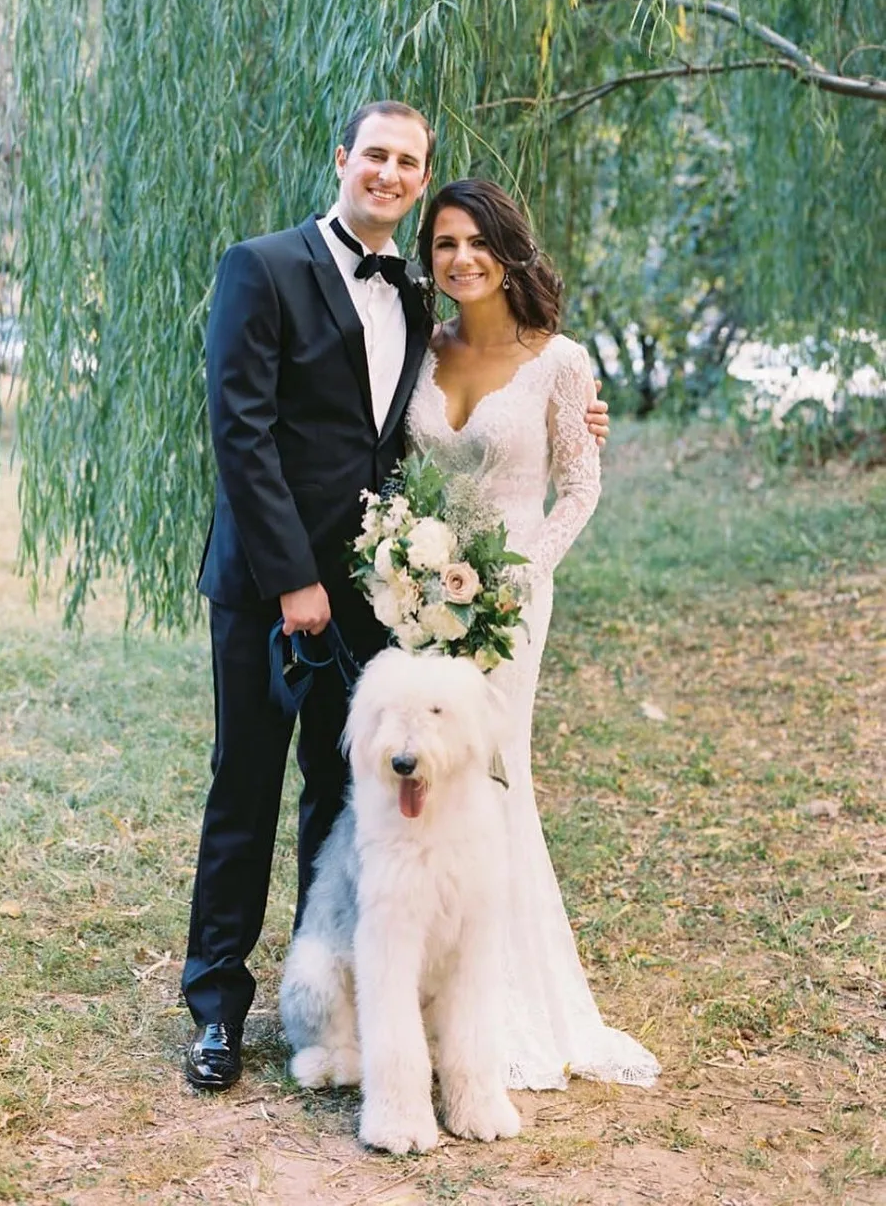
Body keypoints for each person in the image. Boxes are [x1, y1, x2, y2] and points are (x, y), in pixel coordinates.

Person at [182, 104, 610, 1091]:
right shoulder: (264, 266)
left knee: (348, 804)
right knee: (244, 788)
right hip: (265, 587)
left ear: (419, 180)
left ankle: (326, 996)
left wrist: (575, 409)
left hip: (381, 602)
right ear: (342, 159)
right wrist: (293, 579)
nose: (387, 172)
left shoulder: (421, 301)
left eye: (406, 162)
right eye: (373, 153)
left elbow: (471, 401)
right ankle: (215, 1005)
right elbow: (239, 432)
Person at [406, 178, 660, 1090]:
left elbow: (579, 486)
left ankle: (503, 1000)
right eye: (442, 244)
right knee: (423, 787)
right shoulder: (417, 350)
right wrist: (406, 569)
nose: (460, 258)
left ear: (507, 247)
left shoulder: (561, 360)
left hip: (511, 600)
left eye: (475, 240)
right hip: (421, 594)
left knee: (494, 777)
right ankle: (425, 994)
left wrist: (526, 570)